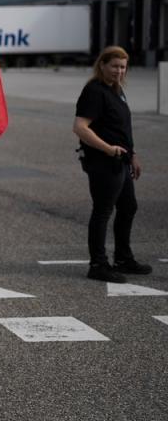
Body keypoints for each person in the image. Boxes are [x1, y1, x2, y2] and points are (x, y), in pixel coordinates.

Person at [73, 46, 152, 283]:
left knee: (128, 207)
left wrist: (133, 155)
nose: (119, 71)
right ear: (102, 65)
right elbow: (80, 127)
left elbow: (121, 129)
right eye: (115, 66)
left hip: (121, 161)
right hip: (103, 162)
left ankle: (123, 258)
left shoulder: (116, 91)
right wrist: (108, 149)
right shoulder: (94, 91)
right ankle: (98, 264)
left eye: (123, 67)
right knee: (103, 211)